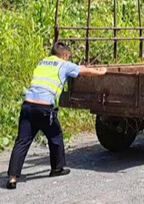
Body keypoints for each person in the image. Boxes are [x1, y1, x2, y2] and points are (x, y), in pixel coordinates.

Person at [7, 42, 107, 190]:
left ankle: (12, 178)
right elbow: (83, 70)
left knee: (22, 141)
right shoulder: (63, 64)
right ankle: (57, 168)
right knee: (55, 136)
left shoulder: (42, 62)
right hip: (44, 107)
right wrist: (101, 71)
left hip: (28, 105)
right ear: (65, 55)